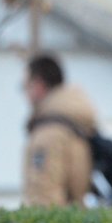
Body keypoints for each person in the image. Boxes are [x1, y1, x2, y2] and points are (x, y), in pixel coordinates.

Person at [21, 54, 97, 205]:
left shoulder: (48, 135)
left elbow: (43, 194)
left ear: (39, 85)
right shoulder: (73, 124)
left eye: (25, 86)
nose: (25, 94)